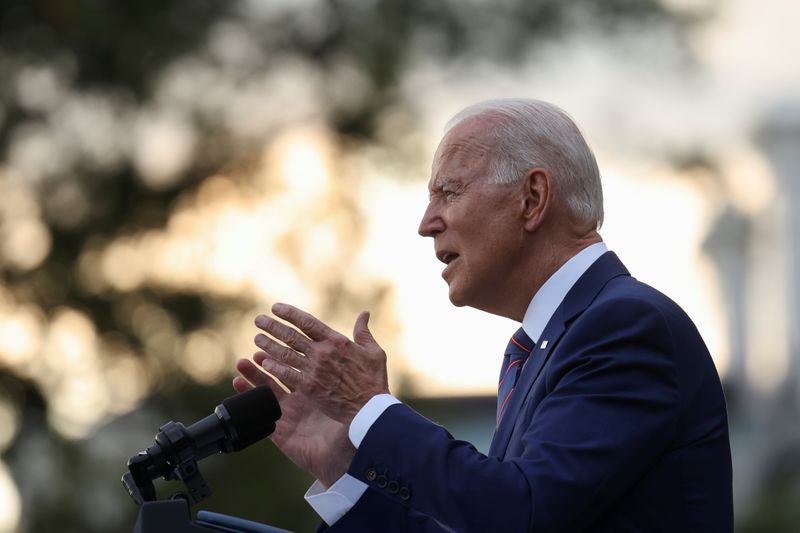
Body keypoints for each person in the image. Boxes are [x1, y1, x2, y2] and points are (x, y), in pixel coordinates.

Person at [233, 98, 734, 532]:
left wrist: (371, 408)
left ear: (532, 199)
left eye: (448, 192)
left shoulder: (624, 326)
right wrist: (344, 462)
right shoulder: (541, 349)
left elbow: (520, 515)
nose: (426, 223)